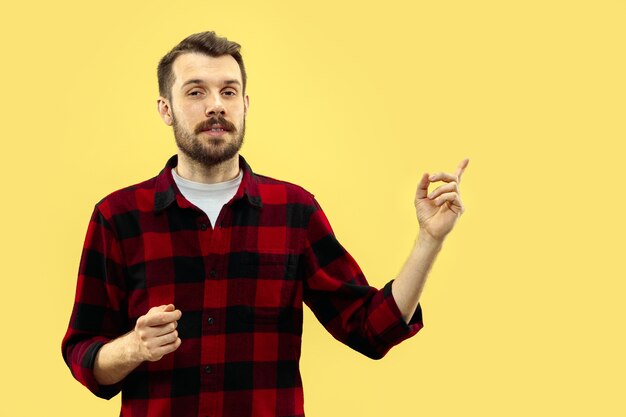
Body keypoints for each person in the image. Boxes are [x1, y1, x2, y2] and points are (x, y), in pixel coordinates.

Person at [62, 31, 469, 417]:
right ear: (165, 109)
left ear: (245, 104)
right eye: (195, 92)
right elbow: (84, 357)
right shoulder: (118, 216)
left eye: (228, 91)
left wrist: (429, 240)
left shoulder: (294, 211)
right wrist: (133, 348)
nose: (216, 105)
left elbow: (369, 329)